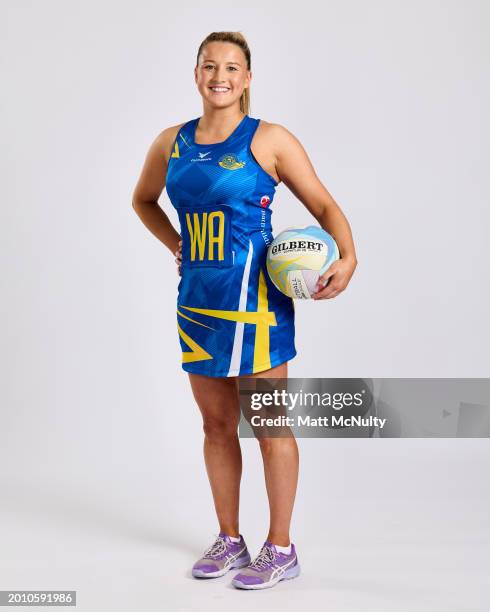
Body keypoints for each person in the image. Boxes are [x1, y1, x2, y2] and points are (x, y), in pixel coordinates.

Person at [132, 31, 357, 590]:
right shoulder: (171, 143)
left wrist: (348, 256)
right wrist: (175, 245)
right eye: (210, 66)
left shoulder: (270, 139)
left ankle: (280, 547)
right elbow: (143, 200)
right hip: (199, 304)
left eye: (232, 67)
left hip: (257, 305)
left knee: (269, 425)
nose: (220, 76)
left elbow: (324, 204)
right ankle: (230, 539)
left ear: (248, 78)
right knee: (215, 424)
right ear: (196, 73)